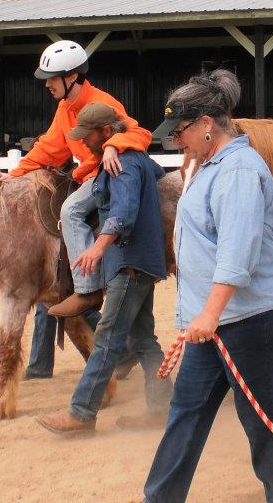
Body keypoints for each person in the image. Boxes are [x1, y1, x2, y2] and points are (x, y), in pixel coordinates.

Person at [143, 70, 273, 503]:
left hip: (253, 317)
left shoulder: (237, 169)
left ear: (206, 125)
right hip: (216, 318)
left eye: (180, 132)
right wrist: (205, 315)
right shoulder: (209, 165)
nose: (175, 141)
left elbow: (237, 255)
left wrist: (210, 313)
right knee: (186, 412)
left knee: (261, 420)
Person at [7, 40, 151, 377]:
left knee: (70, 211)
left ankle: (86, 287)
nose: (47, 83)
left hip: (104, 178)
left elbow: (139, 132)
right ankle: (43, 361)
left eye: (52, 78)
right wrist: (12, 178)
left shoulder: (103, 104)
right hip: (85, 176)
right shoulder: (64, 110)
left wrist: (114, 144)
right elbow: (49, 148)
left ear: (71, 76)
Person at [35, 102, 171, 434]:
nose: (85, 142)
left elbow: (123, 212)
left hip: (129, 263)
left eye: (90, 136)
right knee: (142, 340)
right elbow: (154, 173)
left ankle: (81, 414)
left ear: (106, 132)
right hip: (139, 262)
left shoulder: (121, 164)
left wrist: (96, 247)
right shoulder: (130, 158)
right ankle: (163, 407)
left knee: (108, 338)